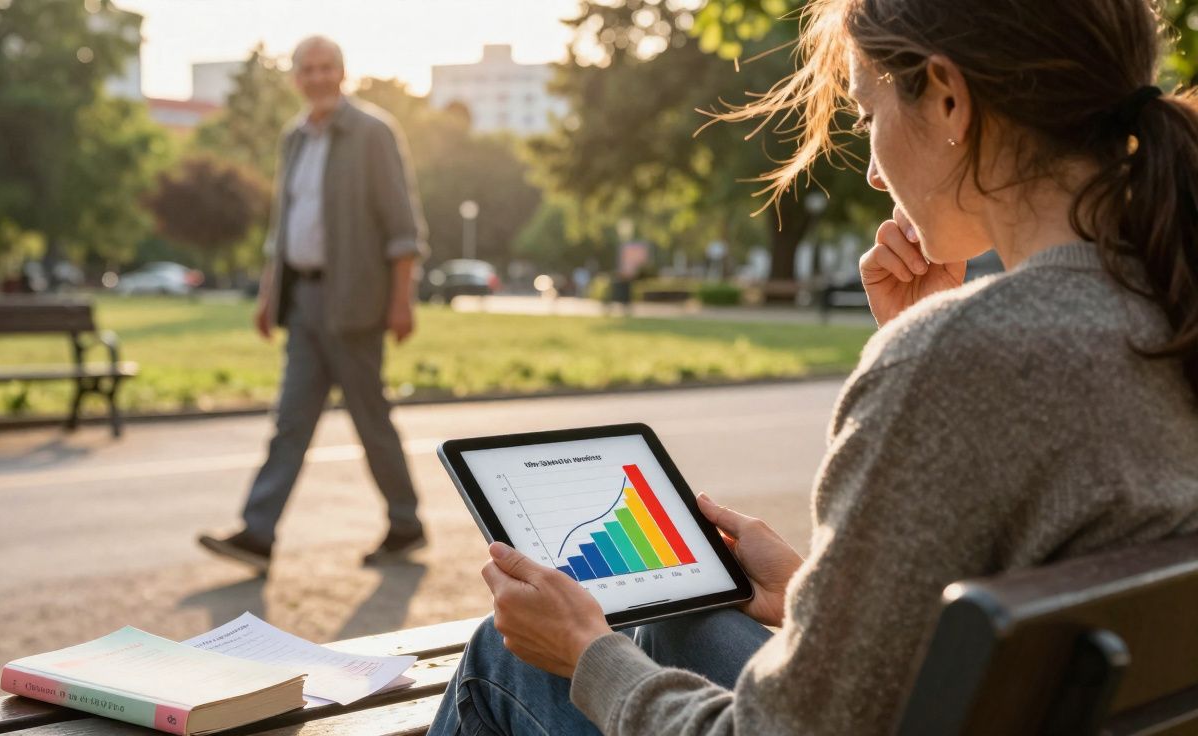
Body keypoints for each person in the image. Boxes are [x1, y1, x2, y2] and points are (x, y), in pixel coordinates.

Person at [428, 0, 1198, 732]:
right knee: (677, 618)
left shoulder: (957, 360)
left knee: (515, 657)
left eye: (866, 116)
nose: (870, 170)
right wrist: (813, 593)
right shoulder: (1168, 301)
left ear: (949, 100)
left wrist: (585, 656)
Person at [199, 35, 428, 572]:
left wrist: (403, 301)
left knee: (371, 418)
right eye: (308, 69)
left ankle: (405, 523)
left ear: (342, 73)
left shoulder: (373, 133)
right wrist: (267, 294)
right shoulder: (294, 137)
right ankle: (257, 534)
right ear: (295, 78)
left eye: (328, 68)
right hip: (301, 299)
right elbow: (283, 228)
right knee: (290, 422)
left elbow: (403, 226)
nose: (319, 77)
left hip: (355, 302)